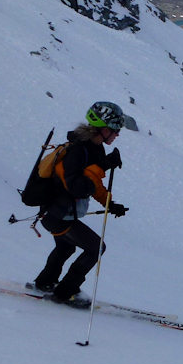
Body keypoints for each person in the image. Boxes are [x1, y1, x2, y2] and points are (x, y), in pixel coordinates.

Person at [32, 101, 129, 305]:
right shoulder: (78, 151)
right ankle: (66, 292)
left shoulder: (95, 149)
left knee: (66, 248)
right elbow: (77, 186)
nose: (117, 134)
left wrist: (109, 203)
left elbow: (94, 185)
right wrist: (102, 166)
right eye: (115, 129)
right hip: (57, 214)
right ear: (103, 129)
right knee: (96, 248)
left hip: (58, 213)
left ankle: (44, 283)